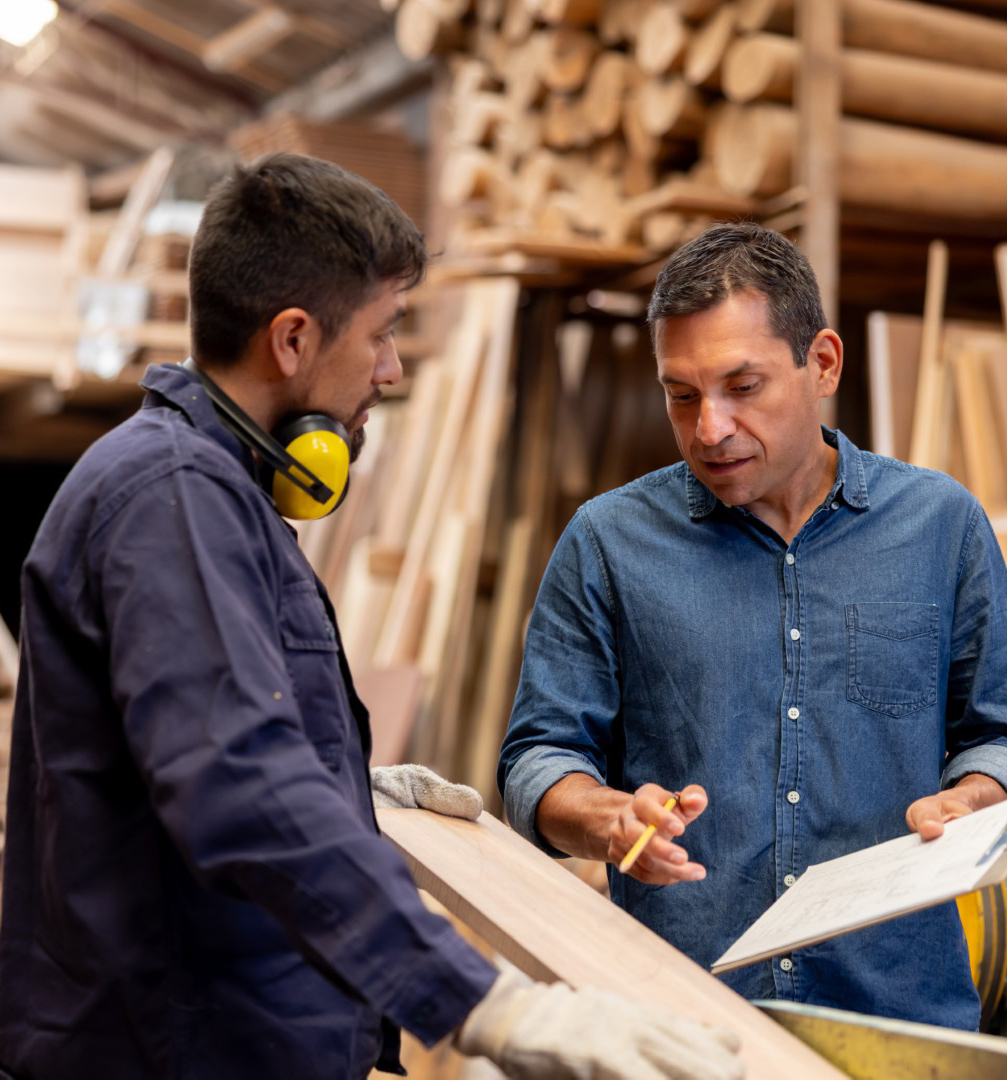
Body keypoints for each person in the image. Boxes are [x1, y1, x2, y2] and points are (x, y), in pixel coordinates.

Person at [0, 154, 744, 1080]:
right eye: (383, 334)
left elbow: (178, 744)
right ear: (293, 340)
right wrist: (484, 1004)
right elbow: (236, 782)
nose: (391, 369)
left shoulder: (207, 489)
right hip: (177, 1048)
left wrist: (350, 778)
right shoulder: (175, 498)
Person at [498, 221, 1007, 1031]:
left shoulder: (941, 527)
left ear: (823, 364)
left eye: (743, 386)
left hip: (898, 1014)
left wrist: (975, 794)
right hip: (681, 1021)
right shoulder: (606, 543)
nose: (709, 429)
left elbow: (996, 731)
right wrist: (603, 817)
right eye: (682, 394)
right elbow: (538, 756)